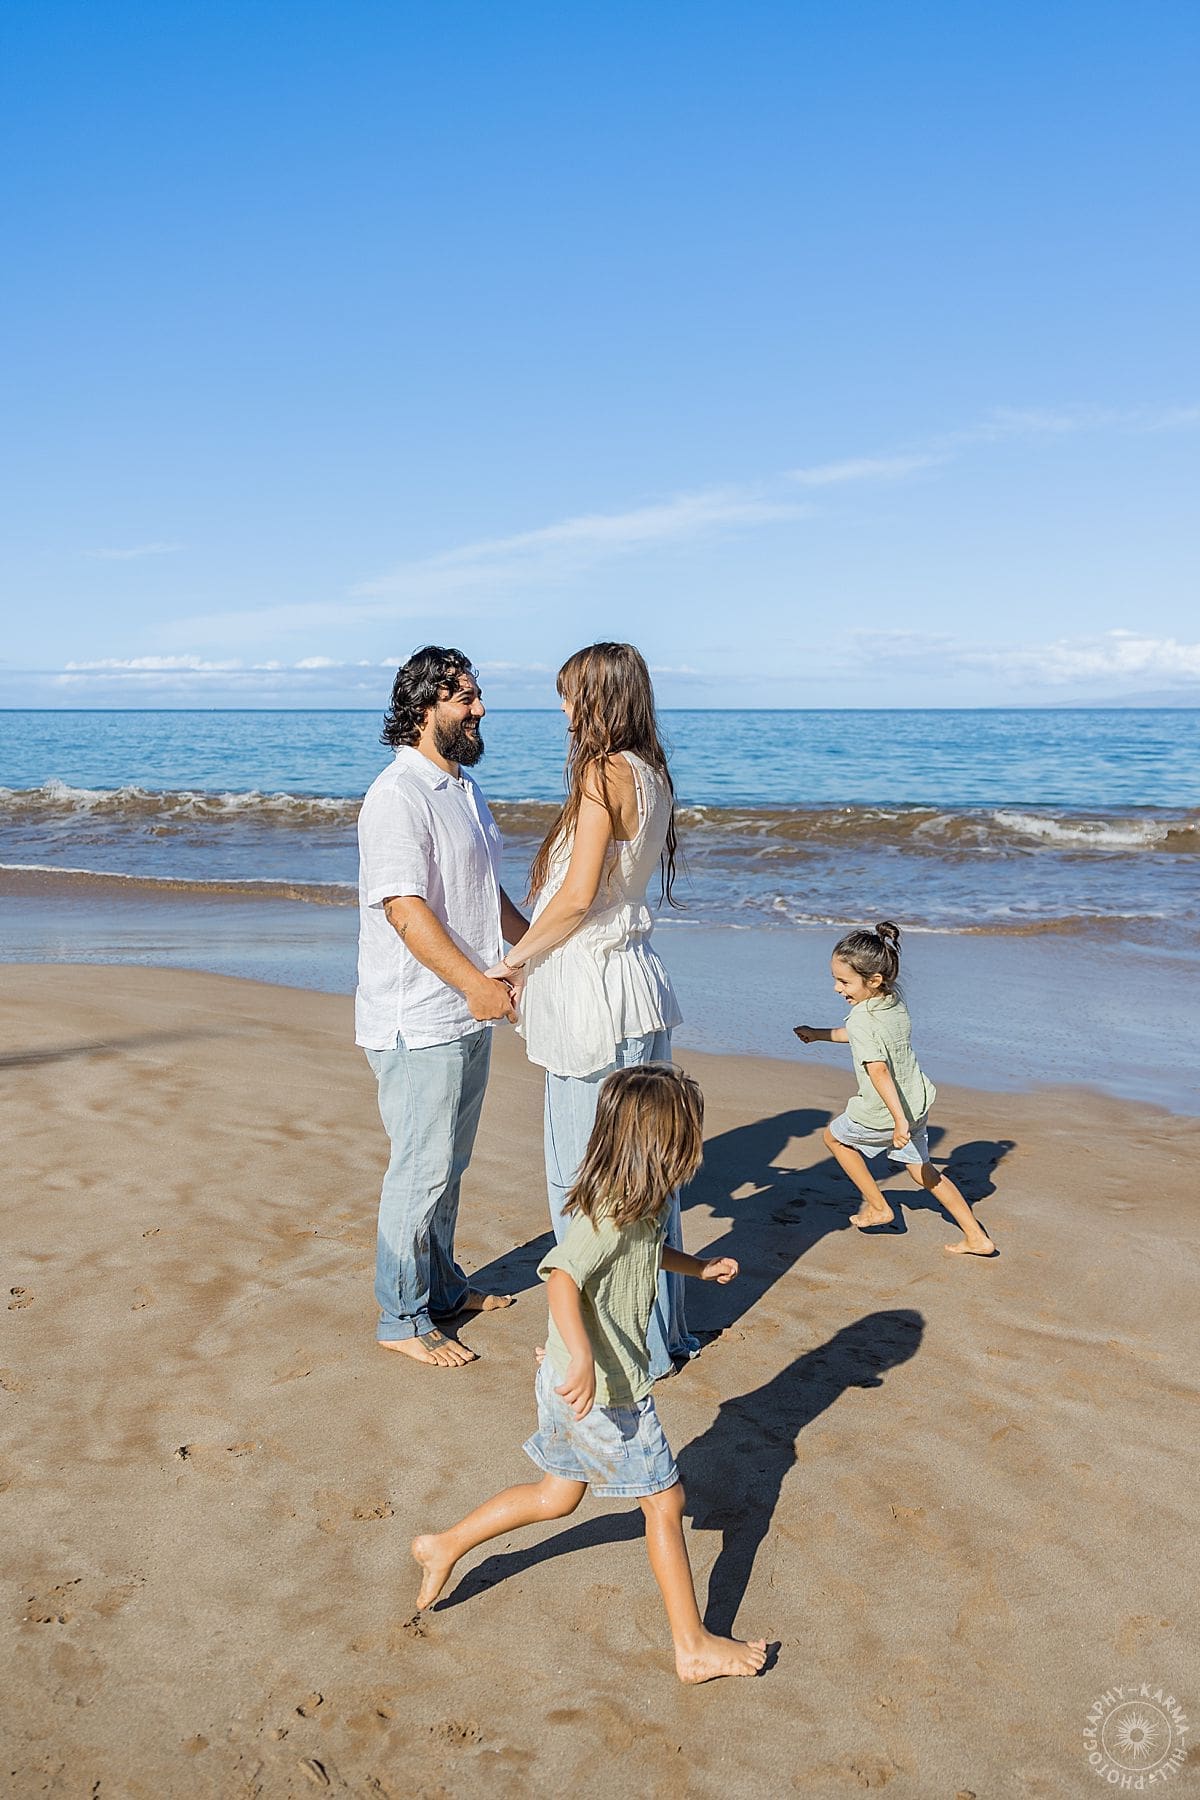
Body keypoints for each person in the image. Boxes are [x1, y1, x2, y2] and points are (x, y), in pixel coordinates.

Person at [410, 1065, 769, 1683]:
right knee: (665, 1501)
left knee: (556, 1496)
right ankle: (692, 1646)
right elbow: (561, 1279)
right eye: (690, 1134)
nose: (696, 1145)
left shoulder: (638, 1204)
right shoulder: (609, 1215)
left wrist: (698, 1268)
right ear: (664, 1144)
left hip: (565, 1383)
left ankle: (443, 1544)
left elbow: (647, 1255)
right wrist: (579, 1356)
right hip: (602, 1391)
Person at [485, 642, 697, 1379]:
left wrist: (511, 963)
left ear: (601, 698)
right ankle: (656, 1334)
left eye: (573, 698)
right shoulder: (652, 770)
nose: (566, 714)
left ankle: (600, 1343)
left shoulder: (605, 771)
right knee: (644, 1173)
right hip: (635, 984)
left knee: (584, 1175)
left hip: (592, 995)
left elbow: (577, 899)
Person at [356, 646, 531, 1367]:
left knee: (450, 1164)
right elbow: (405, 909)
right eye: (465, 698)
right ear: (426, 706)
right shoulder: (397, 794)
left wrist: (533, 954)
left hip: (464, 1008)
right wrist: (475, 985)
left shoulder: (461, 790)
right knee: (420, 1169)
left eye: (478, 695)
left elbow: (483, 898)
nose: (480, 709)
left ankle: (443, 1288)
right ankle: (400, 1317)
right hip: (418, 1016)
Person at [793, 921, 997, 1256]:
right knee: (925, 1173)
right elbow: (864, 1038)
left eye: (844, 981)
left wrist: (897, 1121)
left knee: (834, 1138)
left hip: (886, 1112)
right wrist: (818, 1034)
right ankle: (976, 1237)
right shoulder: (893, 1002)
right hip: (916, 1102)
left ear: (873, 981)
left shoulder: (861, 1018)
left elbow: (878, 1070)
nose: (836, 988)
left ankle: (878, 1206)